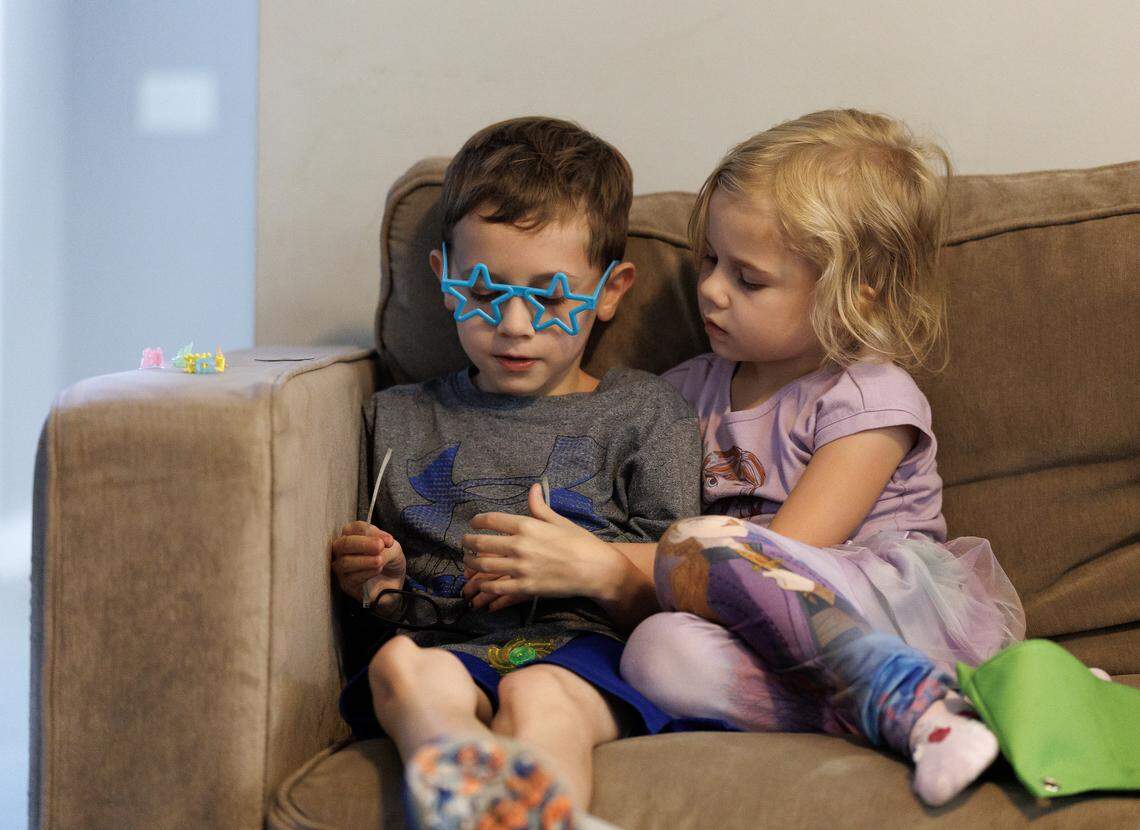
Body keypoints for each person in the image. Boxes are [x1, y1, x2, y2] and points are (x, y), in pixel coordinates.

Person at [612, 109, 1027, 807]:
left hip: (885, 607)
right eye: (709, 260)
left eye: (749, 278)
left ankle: (915, 687)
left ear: (853, 290)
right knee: (654, 655)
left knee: (702, 547)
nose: (710, 289)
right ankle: (917, 716)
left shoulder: (868, 395)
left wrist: (616, 564)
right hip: (779, 647)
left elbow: (790, 554)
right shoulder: (682, 395)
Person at [331, 116, 707, 830]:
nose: (512, 323)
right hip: (450, 647)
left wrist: (589, 564)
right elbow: (398, 605)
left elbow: (682, 589)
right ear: (445, 279)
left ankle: (540, 814)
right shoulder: (396, 418)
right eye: (485, 290)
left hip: (584, 651)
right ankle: (470, 795)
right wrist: (379, 586)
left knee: (540, 697)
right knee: (401, 669)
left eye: (551, 297)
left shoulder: (647, 414)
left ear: (610, 290)